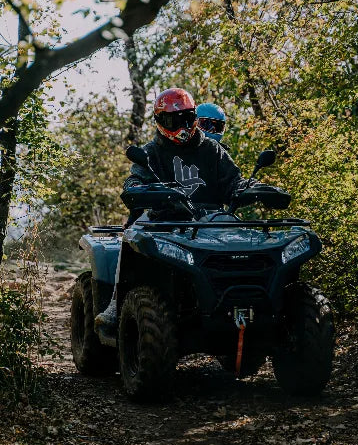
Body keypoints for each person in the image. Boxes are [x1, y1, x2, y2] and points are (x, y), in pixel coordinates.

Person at [94, 88, 250, 335]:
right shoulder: (151, 152)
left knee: (248, 243)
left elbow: (234, 180)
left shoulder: (212, 149)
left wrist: (247, 189)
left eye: (187, 118)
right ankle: (115, 304)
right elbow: (135, 180)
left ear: (194, 117)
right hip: (164, 220)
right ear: (160, 121)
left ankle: (242, 300)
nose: (182, 125)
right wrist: (140, 190)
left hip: (213, 221)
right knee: (131, 237)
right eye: (173, 120)